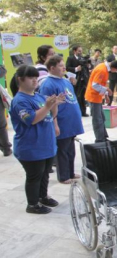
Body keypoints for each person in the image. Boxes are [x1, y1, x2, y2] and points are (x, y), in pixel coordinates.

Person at [10, 65, 65, 214]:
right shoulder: (19, 101)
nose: (35, 80)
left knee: (45, 173)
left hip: (46, 145)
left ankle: (43, 196)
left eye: (36, 77)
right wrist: (47, 106)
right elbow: (32, 120)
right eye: (31, 78)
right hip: (31, 147)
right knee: (35, 175)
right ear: (20, 80)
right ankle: (32, 204)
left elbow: (51, 115)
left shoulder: (39, 96)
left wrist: (54, 106)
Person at [40, 55, 84, 184]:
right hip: (62, 121)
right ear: (52, 68)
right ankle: (64, 176)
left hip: (71, 121)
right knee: (62, 150)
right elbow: (47, 106)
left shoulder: (65, 80)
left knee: (70, 149)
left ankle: (70, 172)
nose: (63, 67)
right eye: (60, 65)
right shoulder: (48, 84)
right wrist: (55, 123)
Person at [84, 57, 117, 143]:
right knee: (97, 119)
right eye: (116, 71)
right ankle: (99, 139)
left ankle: (103, 136)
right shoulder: (102, 70)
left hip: (97, 96)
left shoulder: (104, 68)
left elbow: (101, 84)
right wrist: (107, 90)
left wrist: (105, 95)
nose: (115, 72)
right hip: (93, 97)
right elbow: (95, 85)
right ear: (114, 68)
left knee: (102, 118)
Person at [66, 45, 89, 116]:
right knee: (76, 95)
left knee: (82, 96)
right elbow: (67, 67)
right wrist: (76, 69)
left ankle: (83, 111)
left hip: (83, 80)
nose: (80, 52)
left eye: (81, 51)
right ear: (74, 51)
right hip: (75, 80)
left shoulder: (83, 59)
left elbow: (86, 69)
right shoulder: (70, 58)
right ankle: (76, 111)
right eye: (79, 51)